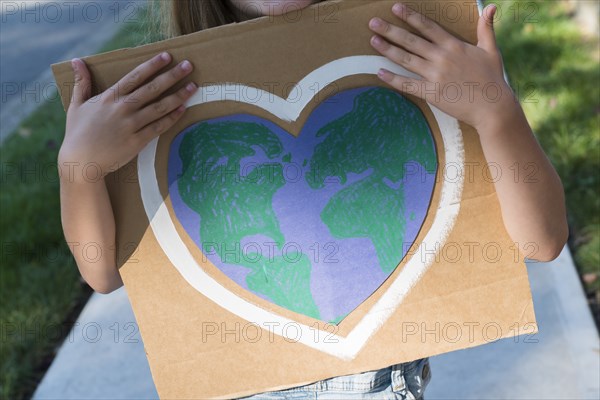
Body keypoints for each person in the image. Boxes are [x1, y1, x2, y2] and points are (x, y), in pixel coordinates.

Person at [58, 1, 568, 399]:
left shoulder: (436, 59)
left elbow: (541, 242)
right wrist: (80, 169)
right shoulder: (150, 100)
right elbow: (103, 274)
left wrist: (497, 113)